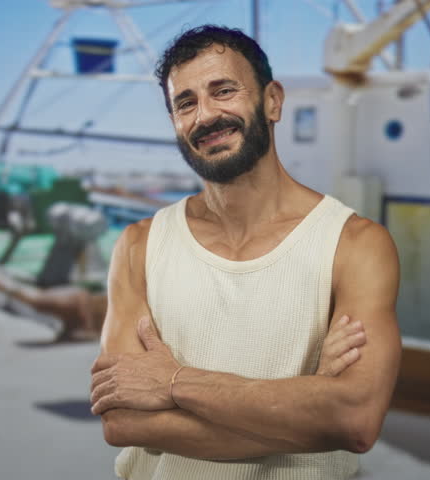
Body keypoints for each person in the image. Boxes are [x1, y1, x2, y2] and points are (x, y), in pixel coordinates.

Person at [90, 25, 400, 479]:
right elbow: (122, 421)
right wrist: (307, 397)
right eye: (186, 103)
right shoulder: (140, 244)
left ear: (272, 101)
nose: (206, 115)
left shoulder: (354, 244)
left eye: (224, 91)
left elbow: (352, 421)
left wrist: (172, 383)